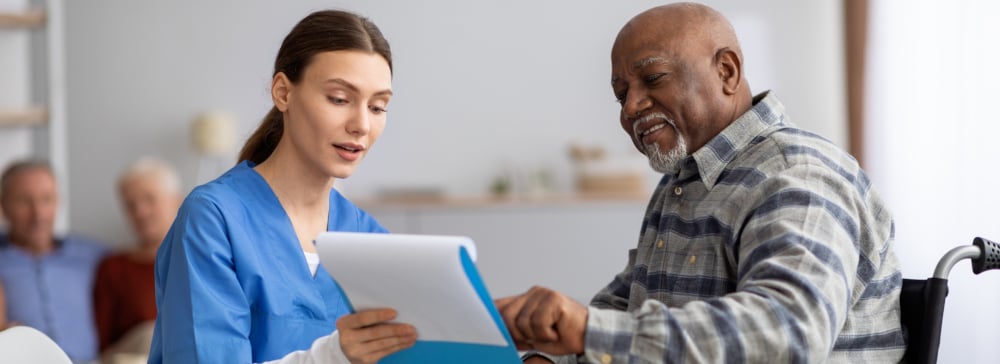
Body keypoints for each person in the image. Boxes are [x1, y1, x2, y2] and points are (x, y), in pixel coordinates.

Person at [496, 3, 905, 363]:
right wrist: (550, 358)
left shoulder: (797, 173)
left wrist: (587, 330)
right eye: (621, 95)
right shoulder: (682, 182)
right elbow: (624, 310)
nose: (632, 107)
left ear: (726, 71)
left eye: (653, 78)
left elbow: (789, 331)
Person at [148, 9, 417, 364]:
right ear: (283, 93)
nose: (361, 124)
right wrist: (335, 356)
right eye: (339, 99)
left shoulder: (371, 240)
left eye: (378, 106)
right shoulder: (214, 220)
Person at [0, 160, 109, 362]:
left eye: (47, 199)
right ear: (3, 205)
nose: (38, 214)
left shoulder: (89, 254)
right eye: (24, 201)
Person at [92, 157, 183, 363]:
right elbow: (102, 341)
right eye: (131, 206)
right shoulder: (114, 268)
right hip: (129, 357)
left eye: (150, 200)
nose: (140, 212)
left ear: (177, 200)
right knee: (152, 334)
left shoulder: (201, 261)